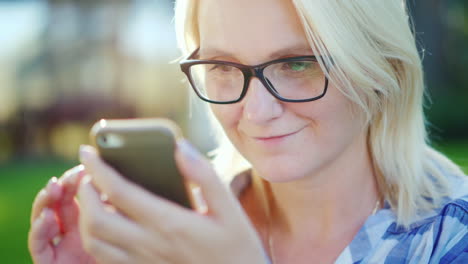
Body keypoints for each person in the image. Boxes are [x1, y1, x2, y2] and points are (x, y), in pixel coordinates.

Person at [28, 0, 468, 263]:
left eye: (298, 63)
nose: (254, 111)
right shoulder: (178, 230)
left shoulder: (451, 238)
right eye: (222, 66)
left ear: (380, 66)